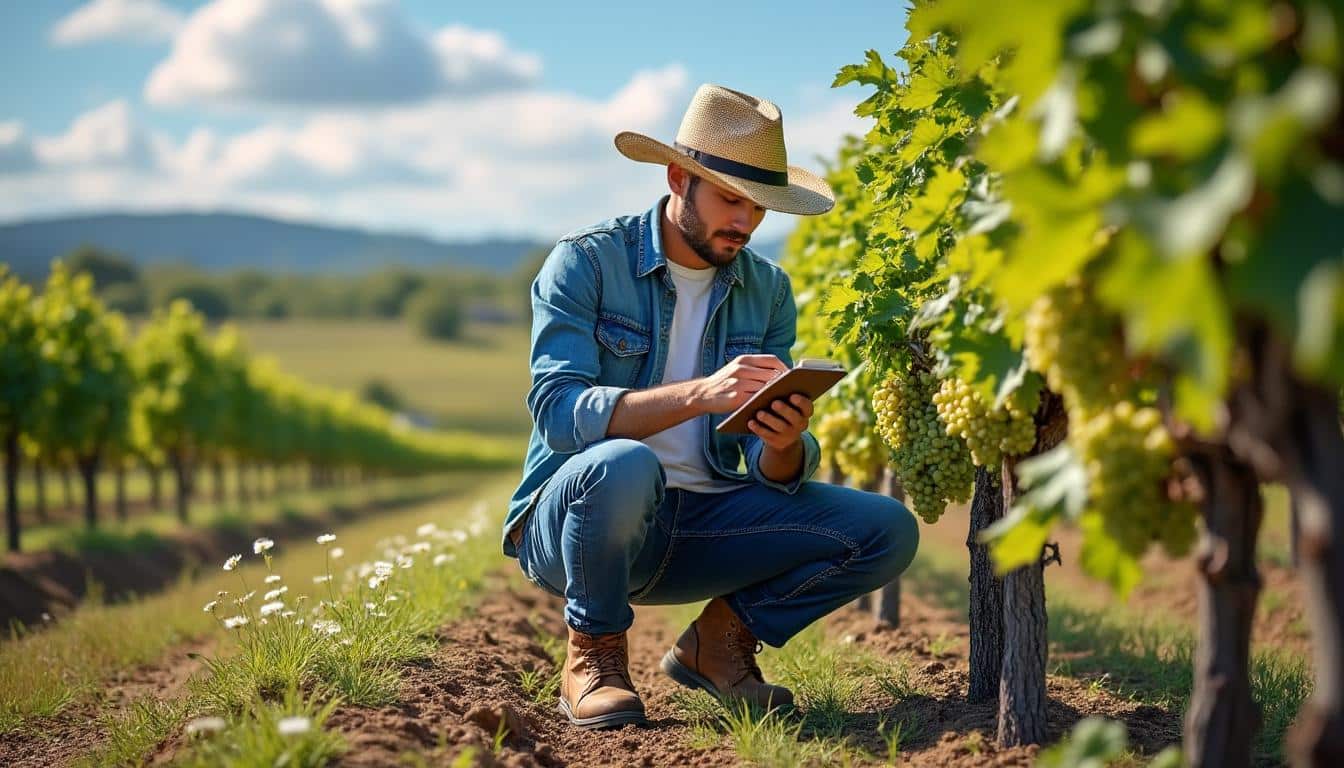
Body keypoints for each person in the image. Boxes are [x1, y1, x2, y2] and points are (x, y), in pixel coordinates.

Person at [502, 83, 919, 730]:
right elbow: (559, 414)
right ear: (677, 178)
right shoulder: (585, 262)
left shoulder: (769, 290)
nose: (746, 223)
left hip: (705, 525)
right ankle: (593, 655)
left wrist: (783, 442)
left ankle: (718, 644)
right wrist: (702, 394)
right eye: (731, 200)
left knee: (886, 529)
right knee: (624, 465)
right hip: (581, 525)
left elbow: (767, 472)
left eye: (759, 208)